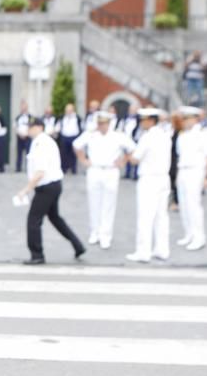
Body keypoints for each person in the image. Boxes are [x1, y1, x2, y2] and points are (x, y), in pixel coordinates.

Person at [15, 117, 86, 265]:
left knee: (33, 220)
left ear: (39, 127)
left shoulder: (41, 143)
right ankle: (78, 245)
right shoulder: (42, 141)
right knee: (55, 218)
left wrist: (25, 190)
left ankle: (37, 255)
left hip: (46, 187)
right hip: (53, 186)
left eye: (31, 126)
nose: (28, 129)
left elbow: (40, 172)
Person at [73, 111, 135, 249]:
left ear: (109, 123)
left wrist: (123, 161)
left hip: (110, 170)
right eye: (100, 123)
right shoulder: (91, 135)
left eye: (105, 123)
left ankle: (105, 235)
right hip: (94, 169)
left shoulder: (117, 136)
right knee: (94, 202)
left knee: (109, 204)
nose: (102, 126)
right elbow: (77, 145)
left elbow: (131, 148)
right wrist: (83, 160)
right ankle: (94, 232)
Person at [125, 108, 173, 263]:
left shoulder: (147, 137)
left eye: (143, 120)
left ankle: (143, 251)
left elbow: (135, 159)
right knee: (161, 216)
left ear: (151, 120)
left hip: (149, 179)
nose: (141, 123)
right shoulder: (165, 135)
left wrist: (128, 153)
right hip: (163, 178)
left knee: (145, 216)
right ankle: (162, 250)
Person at [175, 106, 207, 251]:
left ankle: (199, 237)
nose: (185, 121)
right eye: (184, 118)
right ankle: (189, 234)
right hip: (183, 170)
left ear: (196, 118)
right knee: (184, 204)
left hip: (196, 171)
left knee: (194, 205)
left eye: (188, 118)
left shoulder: (204, 134)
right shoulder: (183, 135)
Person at [56, 103, 82, 174]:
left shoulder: (77, 118)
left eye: (70, 110)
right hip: (64, 137)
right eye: (67, 110)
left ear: (73, 110)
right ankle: (64, 169)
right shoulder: (62, 117)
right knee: (64, 154)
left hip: (74, 137)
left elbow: (80, 127)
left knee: (73, 154)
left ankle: (73, 169)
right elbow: (58, 127)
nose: (68, 111)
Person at [121, 104, 141, 180]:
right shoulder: (125, 118)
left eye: (133, 110)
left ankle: (136, 174)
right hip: (127, 139)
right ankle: (127, 172)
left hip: (135, 139)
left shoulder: (139, 119)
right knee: (127, 155)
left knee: (136, 156)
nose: (131, 111)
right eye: (130, 110)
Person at [14, 100, 32, 173]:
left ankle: (29, 168)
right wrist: (20, 134)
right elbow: (15, 127)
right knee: (19, 153)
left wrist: (27, 134)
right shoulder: (18, 117)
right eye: (22, 107)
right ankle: (18, 168)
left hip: (28, 137)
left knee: (28, 153)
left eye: (24, 107)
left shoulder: (31, 117)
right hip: (20, 137)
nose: (23, 108)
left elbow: (32, 126)